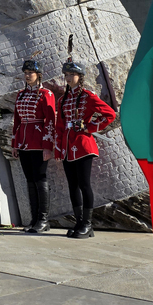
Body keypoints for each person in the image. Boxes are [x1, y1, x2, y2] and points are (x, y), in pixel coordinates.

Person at [54, 58, 116, 239]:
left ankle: (88, 224)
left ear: (80, 76)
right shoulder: (63, 99)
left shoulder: (88, 96)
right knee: (72, 186)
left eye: (72, 74)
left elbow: (109, 114)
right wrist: (58, 149)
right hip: (67, 146)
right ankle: (79, 221)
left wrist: (89, 127)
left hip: (83, 146)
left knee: (84, 184)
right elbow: (59, 126)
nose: (68, 77)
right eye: (66, 74)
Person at [11, 59, 56, 233]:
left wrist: (47, 146)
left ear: (38, 74)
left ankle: (43, 219)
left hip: (38, 141)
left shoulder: (46, 94)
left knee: (40, 178)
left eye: (30, 72)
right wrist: (15, 144)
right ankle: (34, 218)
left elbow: (50, 121)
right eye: (26, 72)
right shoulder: (21, 94)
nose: (27, 75)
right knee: (30, 180)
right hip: (23, 142)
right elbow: (17, 120)